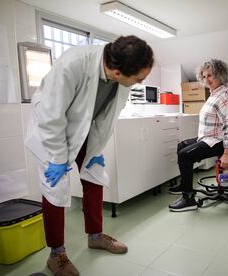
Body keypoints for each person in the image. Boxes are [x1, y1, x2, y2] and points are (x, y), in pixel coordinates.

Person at [25, 35, 153, 276]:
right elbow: (51, 117)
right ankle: (56, 254)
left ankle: (95, 236)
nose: (139, 83)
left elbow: (104, 118)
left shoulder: (121, 79)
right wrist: (58, 158)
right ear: (117, 72)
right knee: (55, 186)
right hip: (50, 130)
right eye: (139, 79)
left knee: (93, 175)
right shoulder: (73, 63)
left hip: (82, 129)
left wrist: (95, 149)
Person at [168, 59, 228, 212]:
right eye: (204, 76)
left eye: (211, 76)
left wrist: (227, 153)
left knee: (185, 155)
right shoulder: (215, 93)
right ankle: (184, 185)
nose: (207, 80)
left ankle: (189, 198)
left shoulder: (224, 97)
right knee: (182, 146)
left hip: (219, 141)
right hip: (208, 137)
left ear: (220, 75)